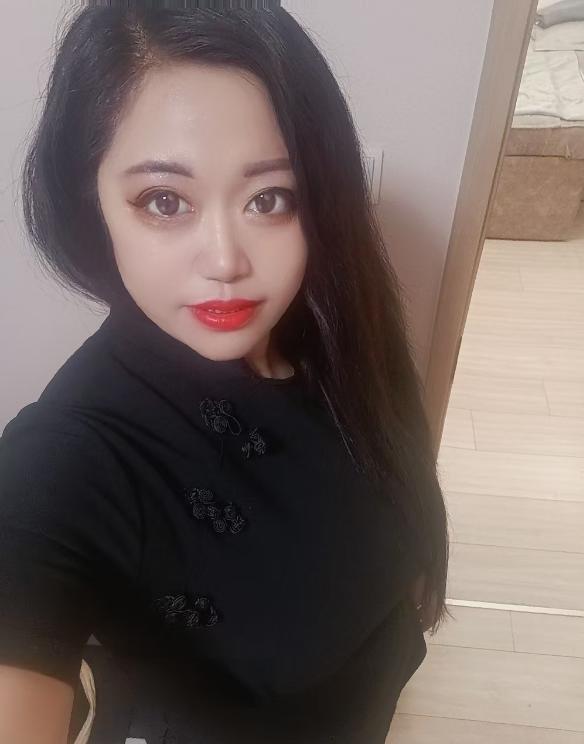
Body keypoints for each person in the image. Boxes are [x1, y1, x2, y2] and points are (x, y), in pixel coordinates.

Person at [0, 2, 449, 742]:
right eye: (164, 201)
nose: (224, 260)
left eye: (269, 199)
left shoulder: (337, 336)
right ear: (92, 203)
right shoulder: (62, 460)